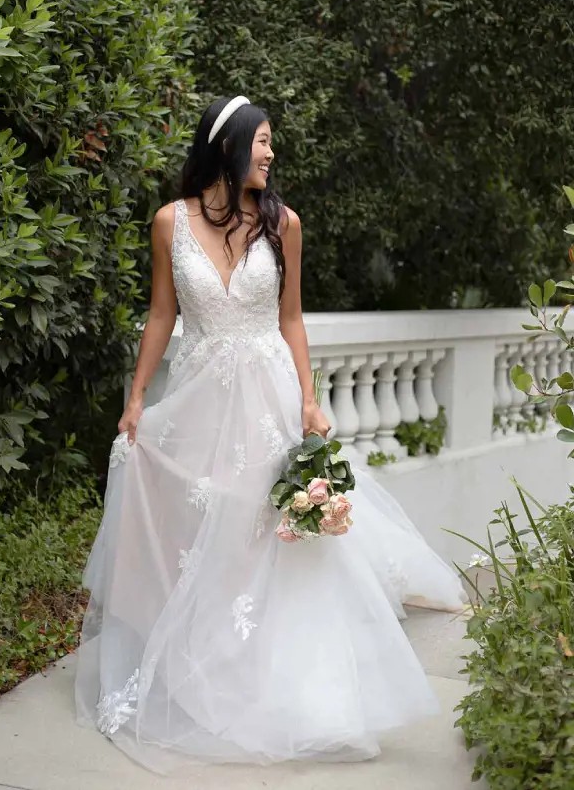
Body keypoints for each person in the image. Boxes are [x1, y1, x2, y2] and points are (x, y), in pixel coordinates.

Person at [75, 95, 467, 772]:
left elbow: (291, 319)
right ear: (227, 144)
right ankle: (193, 655)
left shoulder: (284, 224)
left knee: (266, 528)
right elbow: (162, 313)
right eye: (262, 141)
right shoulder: (171, 222)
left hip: (266, 397)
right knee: (196, 530)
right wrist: (137, 397)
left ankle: (266, 669)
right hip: (196, 396)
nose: (270, 153)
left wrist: (311, 401)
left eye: (270, 144)